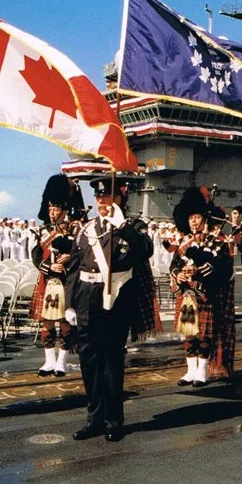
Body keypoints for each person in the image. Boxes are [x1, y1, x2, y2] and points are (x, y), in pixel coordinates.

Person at [66, 177, 157, 443]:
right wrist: (70, 303)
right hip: (86, 299)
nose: (102, 202)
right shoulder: (85, 230)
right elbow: (74, 268)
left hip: (116, 299)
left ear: (119, 197)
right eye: (99, 198)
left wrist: (123, 227)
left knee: (111, 361)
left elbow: (145, 251)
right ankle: (94, 417)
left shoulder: (133, 227)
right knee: (89, 361)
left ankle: (113, 420)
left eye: (108, 197)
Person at [170, 187, 236, 387]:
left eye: (197, 217)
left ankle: (202, 371)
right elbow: (174, 265)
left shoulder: (217, 241)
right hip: (188, 294)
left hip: (205, 293)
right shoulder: (183, 242)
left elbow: (223, 268)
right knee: (189, 333)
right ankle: (190, 371)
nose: (193, 221)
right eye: (190, 218)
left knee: (204, 335)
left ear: (204, 219)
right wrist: (178, 274)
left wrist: (199, 270)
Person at [30, 175, 79, 377]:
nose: (52, 213)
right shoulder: (42, 231)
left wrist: (69, 258)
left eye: (56, 209)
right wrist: (49, 268)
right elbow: (35, 255)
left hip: (67, 282)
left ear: (64, 210)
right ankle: (49, 361)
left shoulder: (75, 230)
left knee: (66, 325)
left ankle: (62, 362)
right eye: (50, 209)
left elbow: (81, 254)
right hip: (47, 280)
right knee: (47, 323)